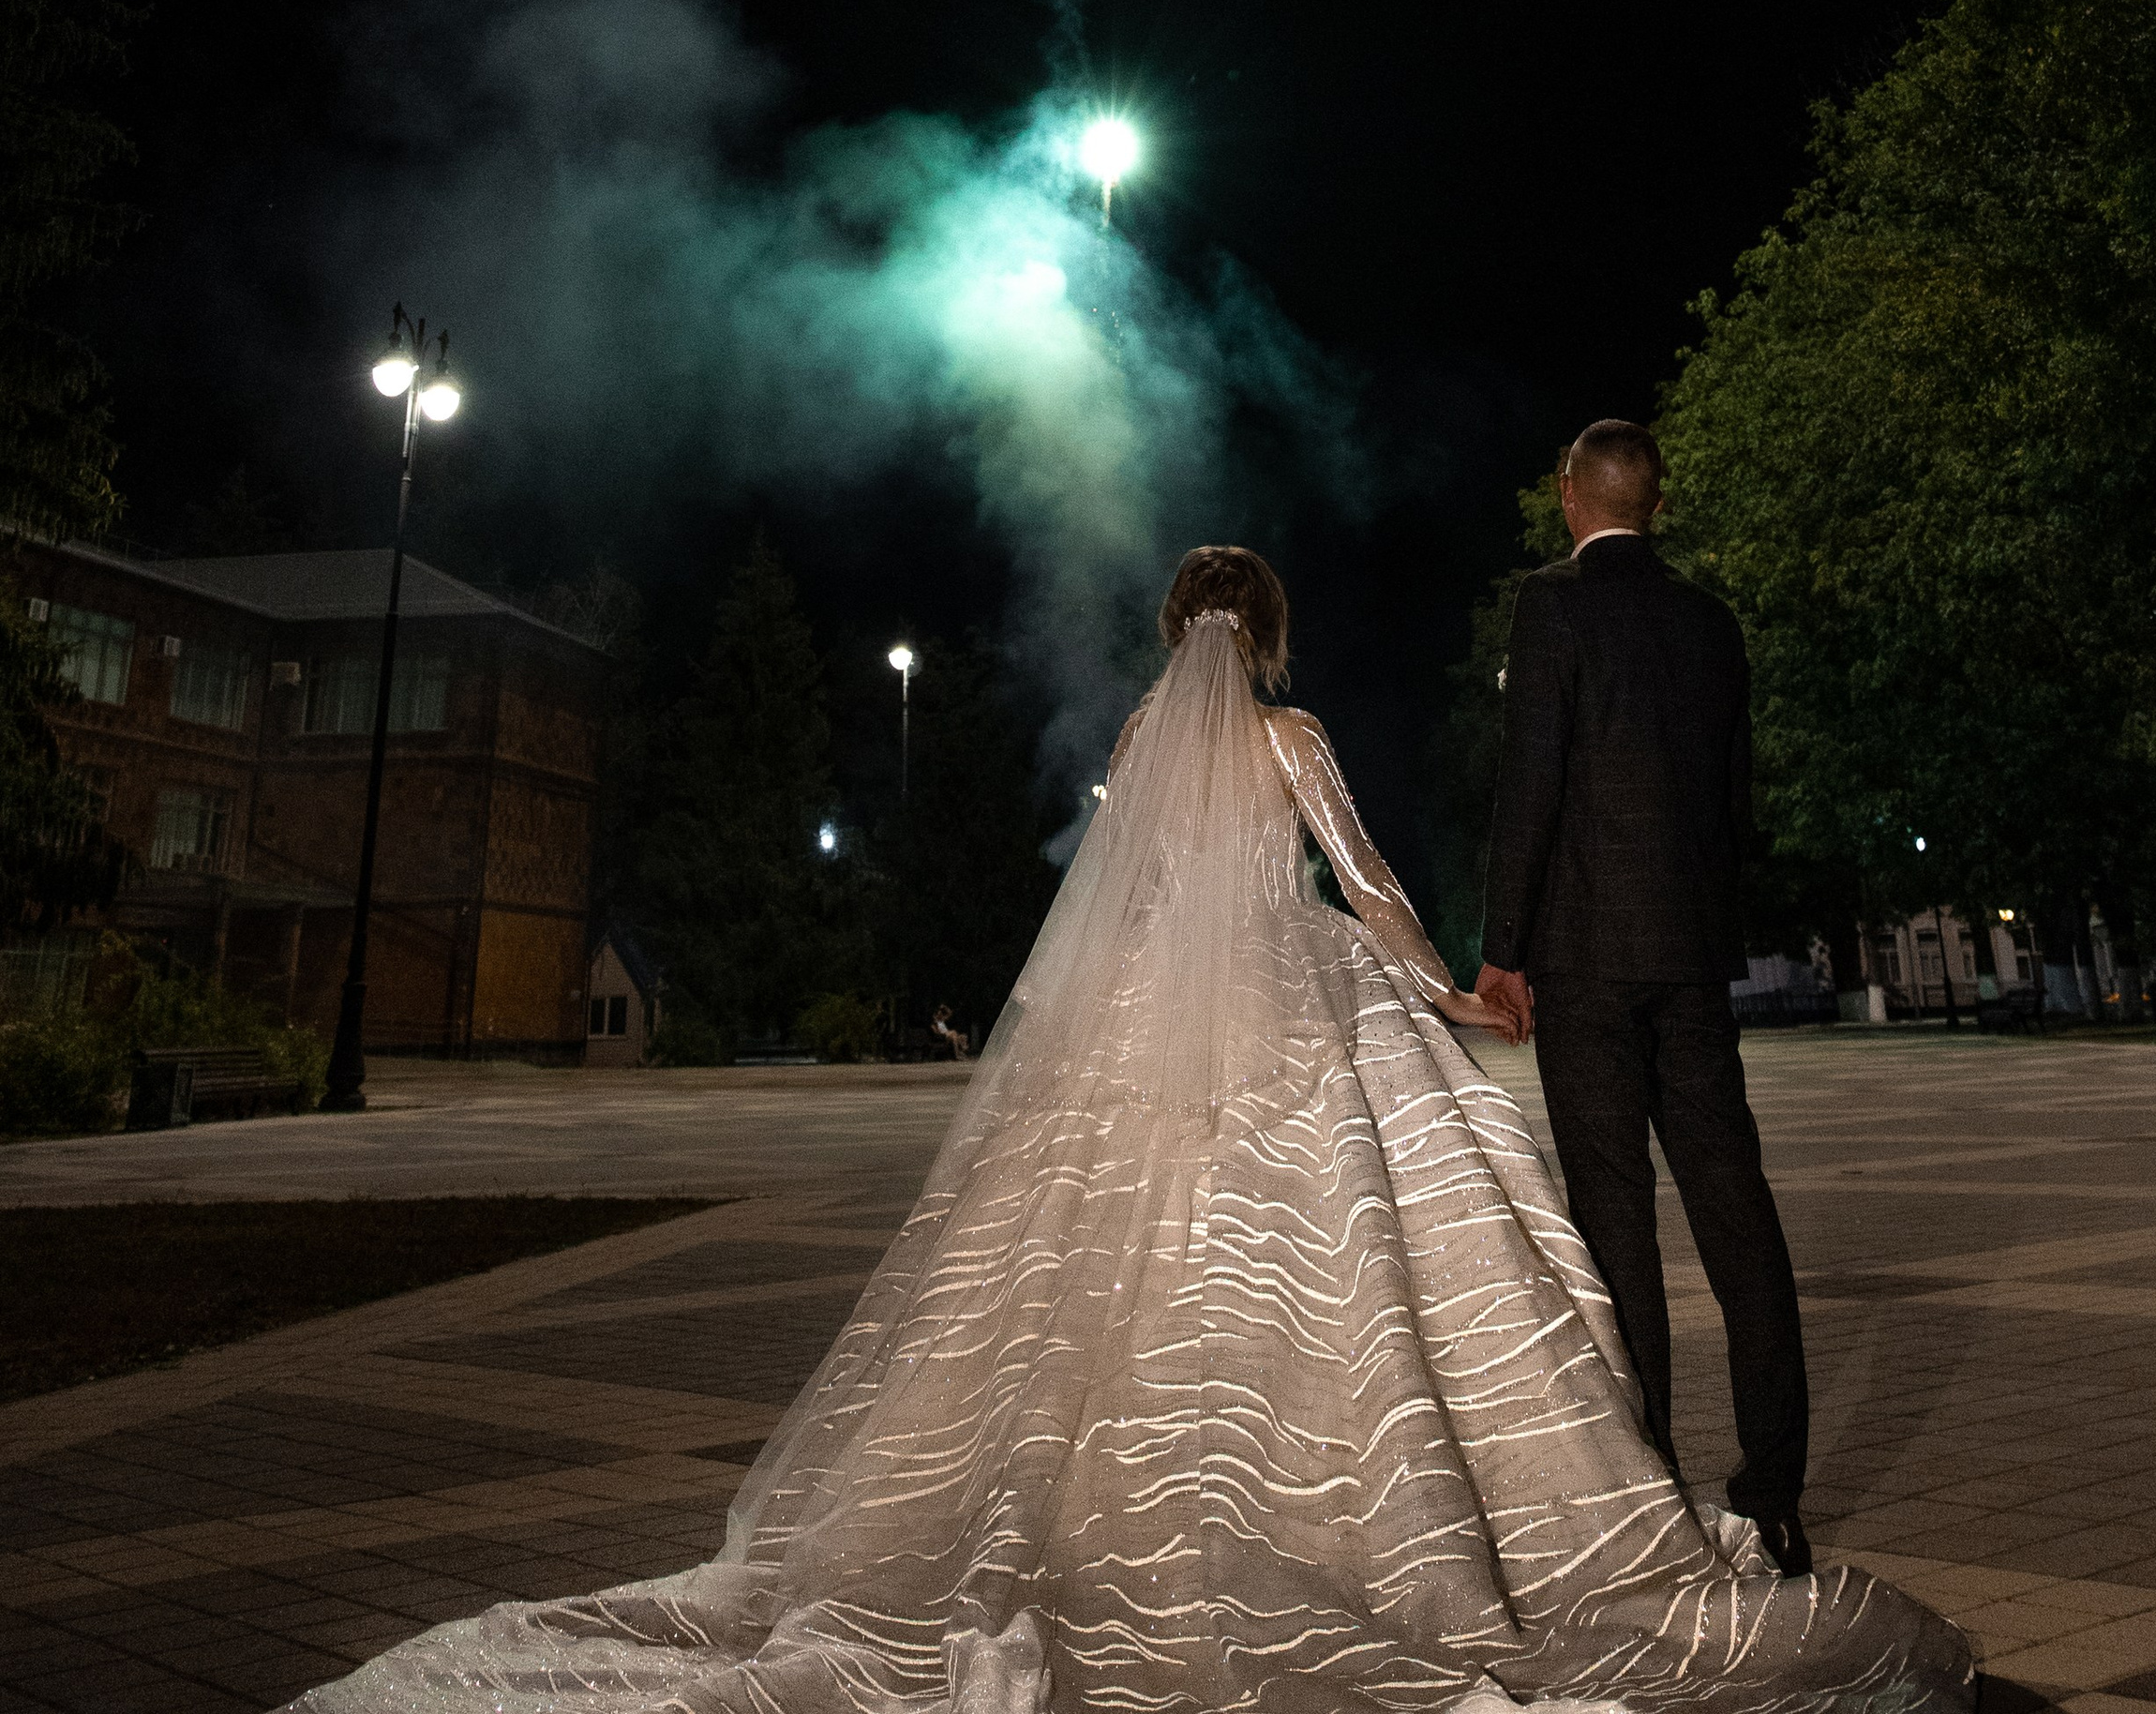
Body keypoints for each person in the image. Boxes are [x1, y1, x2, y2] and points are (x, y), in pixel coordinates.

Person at [295, 546, 1966, 1714]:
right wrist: (1459, 987)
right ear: (1269, 632)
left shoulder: (1141, 742)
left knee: (1097, 1273)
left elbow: (1131, 894)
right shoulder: (1295, 735)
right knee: (1367, 1262)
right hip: (1300, 1009)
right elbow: (1364, 883)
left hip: (1146, 1032)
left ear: (1179, 632)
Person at [1476, 421, 1814, 1569]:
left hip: (1583, 954)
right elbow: (1734, 802)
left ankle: (1648, 1486)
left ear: (1570, 495)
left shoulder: (1551, 605)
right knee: (1736, 1210)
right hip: (1688, 957)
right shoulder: (1711, 622)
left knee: (1613, 1217)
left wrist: (1500, 945)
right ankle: (1773, 1496)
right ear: (1653, 501)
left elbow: (1535, 777)